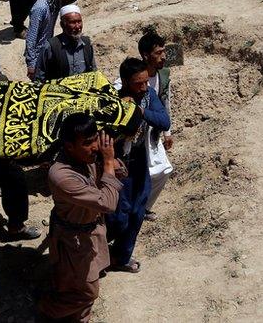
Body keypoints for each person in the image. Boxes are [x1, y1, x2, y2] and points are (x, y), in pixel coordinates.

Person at [38, 113, 125, 322]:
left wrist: (109, 163)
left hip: (91, 232)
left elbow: (120, 172)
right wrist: (108, 163)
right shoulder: (61, 175)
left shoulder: (88, 158)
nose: (95, 146)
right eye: (87, 143)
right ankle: (47, 309)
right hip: (73, 241)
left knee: (82, 283)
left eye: (96, 138)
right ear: (69, 146)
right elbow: (108, 203)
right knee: (87, 292)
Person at [106, 58, 170, 274]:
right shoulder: (111, 102)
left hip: (139, 161)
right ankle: (97, 251)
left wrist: (142, 113)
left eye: (145, 82)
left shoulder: (148, 96)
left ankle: (121, 256)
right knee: (118, 215)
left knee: (137, 210)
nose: (143, 88)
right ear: (124, 81)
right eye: (137, 84)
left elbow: (164, 121)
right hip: (117, 164)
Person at [127, 32, 174, 222]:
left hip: (153, 130)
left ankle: (143, 207)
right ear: (146, 55)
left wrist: (167, 132)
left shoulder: (164, 74)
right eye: (159, 52)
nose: (163, 56)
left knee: (163, 171)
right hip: (134, 132)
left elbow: (166, 101)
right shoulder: (133, 73)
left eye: (164, 51)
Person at [24, 0, 81, 79]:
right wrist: (31, 64)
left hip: (47, 51)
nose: (68, 0)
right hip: (37, 56)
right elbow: (31, 38)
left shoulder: (54, 5)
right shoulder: (41, 8)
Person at [34, 4, 96, 81]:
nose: (77, 27)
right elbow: (39, 77)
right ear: (62, 25)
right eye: (72, 22)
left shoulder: (87, 44)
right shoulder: (51, 46)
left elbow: (94, 72)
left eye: (79, 22)